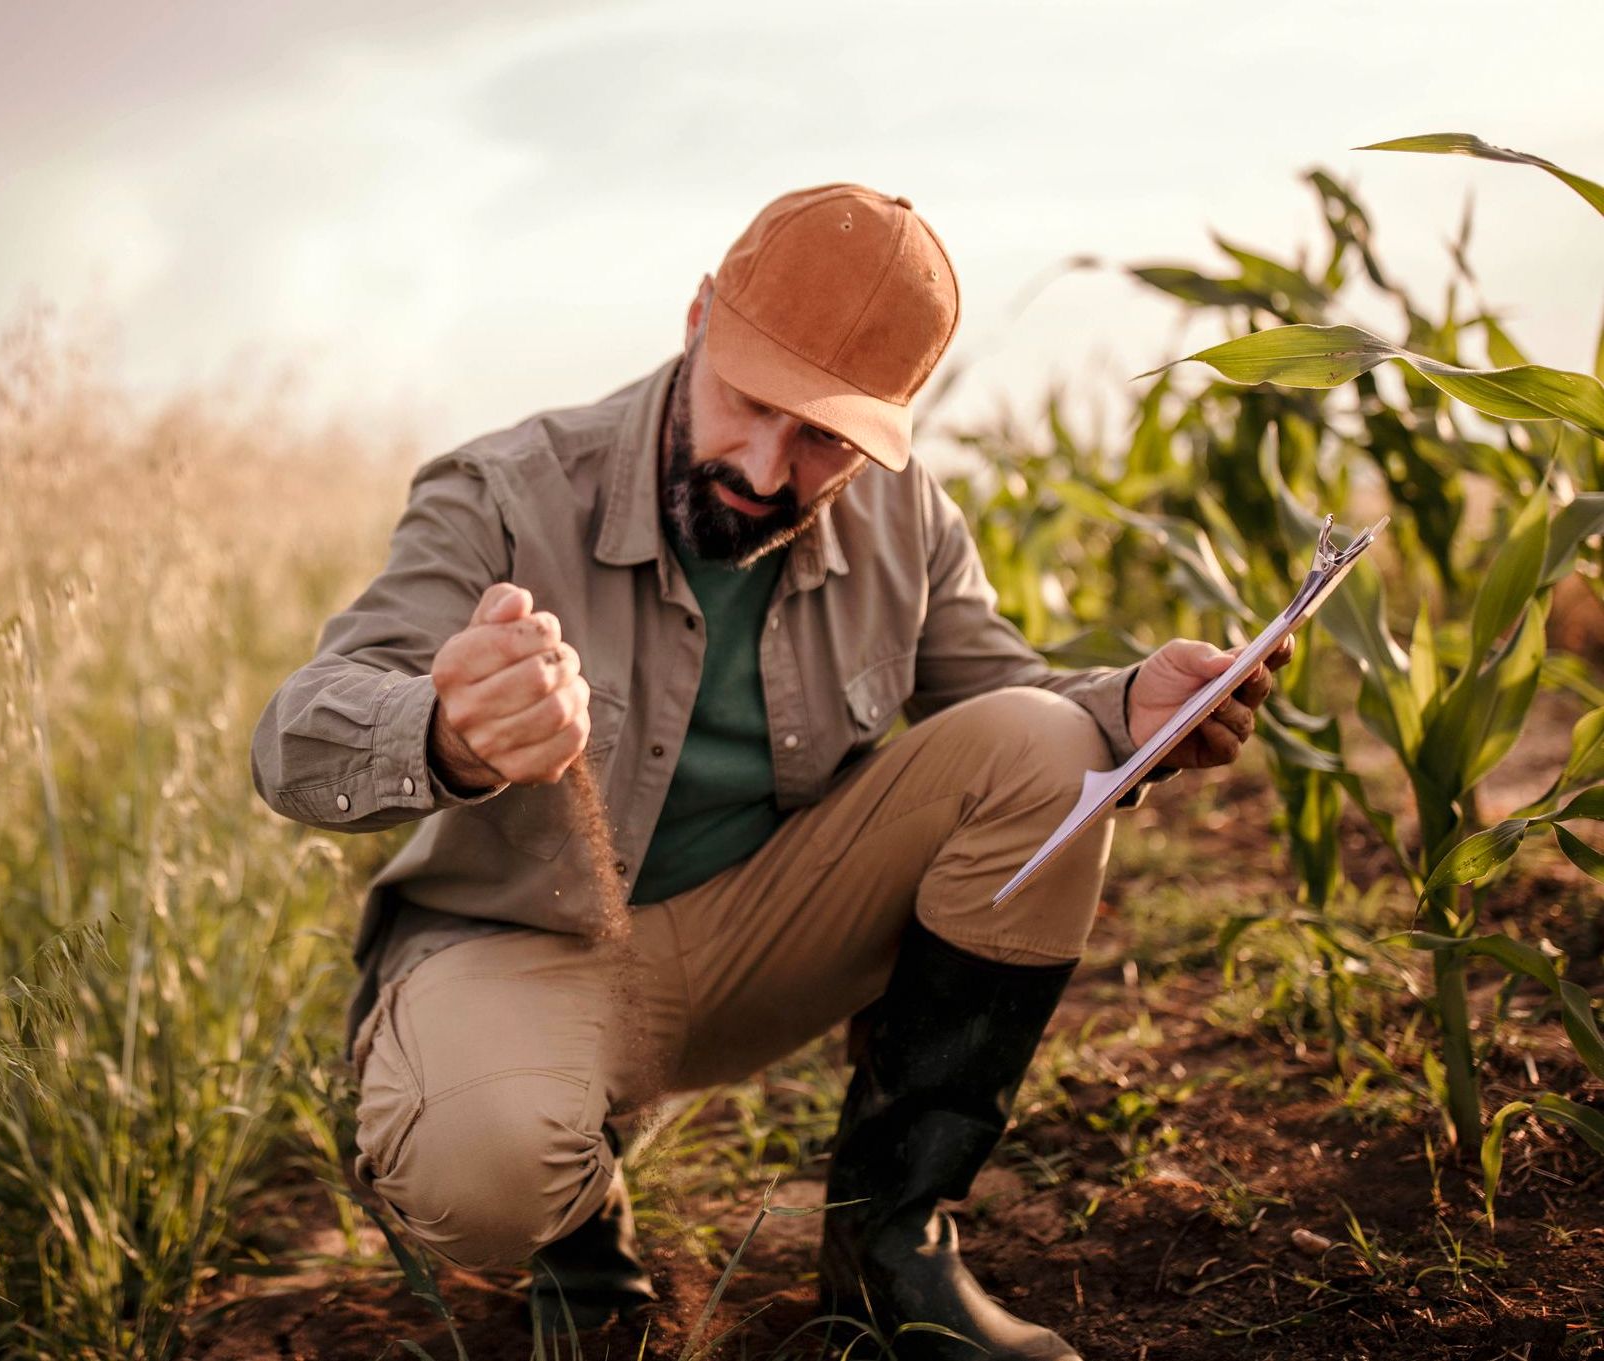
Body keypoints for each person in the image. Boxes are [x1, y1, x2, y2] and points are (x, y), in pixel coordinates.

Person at [251, 183, 1287, 1361]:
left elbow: (1001, 709)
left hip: (759, 940)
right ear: (697, 319)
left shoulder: (909, 522)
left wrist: (1125, 706)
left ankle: (895, 1245)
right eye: (748, 402)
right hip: (527, 947)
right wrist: (448, 730)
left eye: (824, 438)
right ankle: (580, 1233)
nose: (762, 464)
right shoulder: (502, 489)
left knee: (1049, 746)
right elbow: (295, 740)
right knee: (481, 1172)